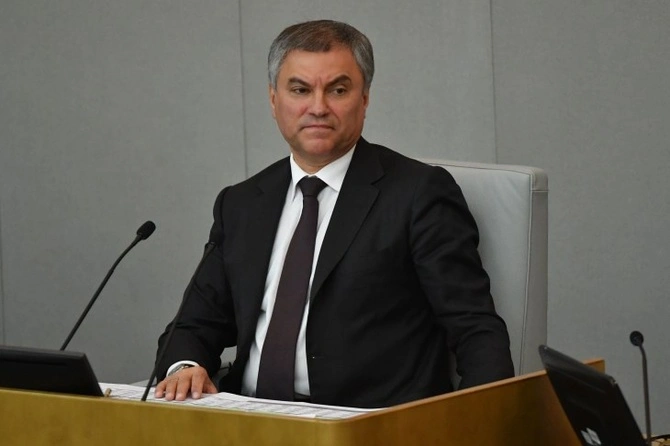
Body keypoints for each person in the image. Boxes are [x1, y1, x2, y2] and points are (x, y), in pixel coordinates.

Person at [153, 19, 514, 408]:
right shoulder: (241, 203)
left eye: (338, 90)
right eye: (300, 90)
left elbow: (475, 329)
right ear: (273, 100)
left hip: (369, 424)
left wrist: (477, 423)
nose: (318, 107)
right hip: (249, 419)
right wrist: (185, 367)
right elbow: (193, 324)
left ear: (365, 98)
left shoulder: (417, 194)